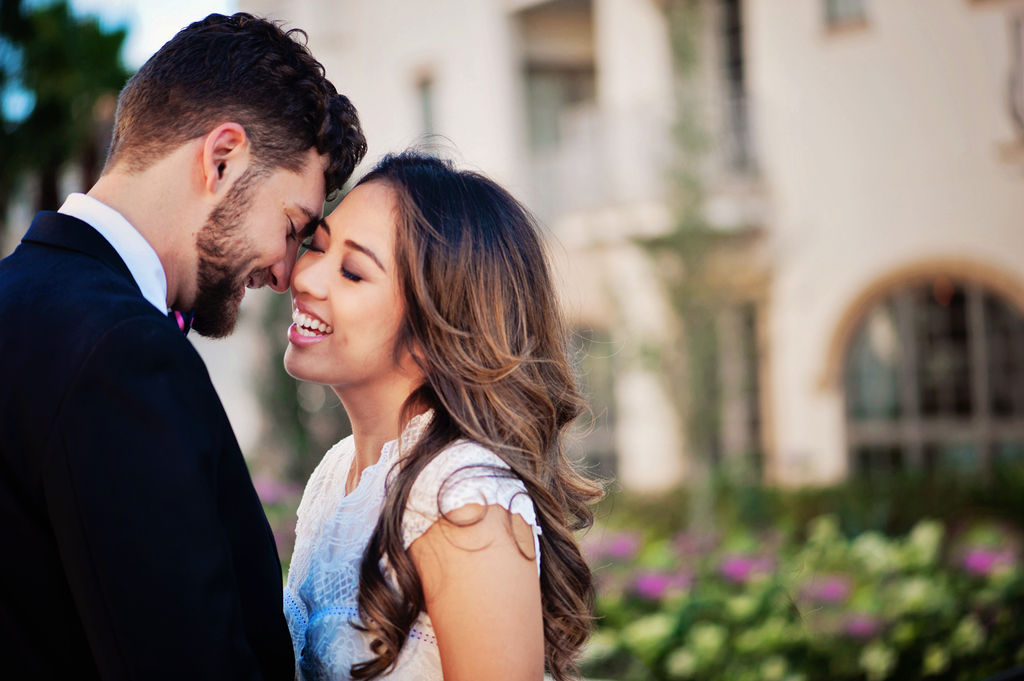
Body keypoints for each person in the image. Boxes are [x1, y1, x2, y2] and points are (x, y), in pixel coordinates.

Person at [0, 12, 366, 680]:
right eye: (293, 225)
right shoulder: (118, 352)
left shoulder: (18, 301)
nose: (286, 273)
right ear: (221, 158)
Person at [282, 151, 602, 681]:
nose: (307, 278)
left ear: (438, 331)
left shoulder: (462, 495)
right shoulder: (335, 474)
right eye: (316, 246)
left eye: (353, 272)